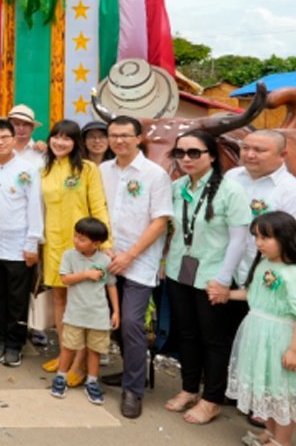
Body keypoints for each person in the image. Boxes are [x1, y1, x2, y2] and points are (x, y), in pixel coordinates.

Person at [165, 129, 251, 425]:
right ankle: (189, 388)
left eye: (194, 153)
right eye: (180, 153)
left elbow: (239, 239)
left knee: (214, 339)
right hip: (180, 270)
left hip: (213, 275)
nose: (186, 159)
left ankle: (212, 398)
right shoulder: (178, 187)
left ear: (212, 156)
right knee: (186, 333)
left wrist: (224, 280)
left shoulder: (231, 190)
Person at [99, 116, 173, 418]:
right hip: (106, 257)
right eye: (114, 135)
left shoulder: (155, 174)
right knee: (112, 319)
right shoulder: (102, 170)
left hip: (138, 260)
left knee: (131, 321)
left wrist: (129, 255)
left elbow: (161, 220)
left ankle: (133, 390)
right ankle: (133, 370)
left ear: (139, 138)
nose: (119, 141)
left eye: (126, 135)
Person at [39, 120, 110, 382]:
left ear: (75, 142)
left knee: (82, 304)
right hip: (54, 245)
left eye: (66, 138)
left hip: (83, 247)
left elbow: (99, 206)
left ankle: (79, 365)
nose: (60, 142)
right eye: (55, 137)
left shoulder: (87, 169)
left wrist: (106, 242)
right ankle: (64, 354)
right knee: (60, 301)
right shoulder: (44, 169)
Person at [226, 211, 296, 446]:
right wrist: (226, 294)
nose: (259, 243)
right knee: (263, 386)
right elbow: (252, 294)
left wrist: (293, 350)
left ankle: (283, 441)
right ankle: (271, 432)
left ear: (286, 237)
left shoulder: (293, 272)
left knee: (281, 392)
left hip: (280, 338)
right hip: (256, 332)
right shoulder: (263, 263)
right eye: (256, 237)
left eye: (266, 238)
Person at [0, 119, 44, 367]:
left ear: (13, 137)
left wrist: (32, 243)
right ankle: (0, 340)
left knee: (17, 298)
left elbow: (35, 207)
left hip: (18, 245)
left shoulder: (27, 169)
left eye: (4, 137)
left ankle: (15, 343)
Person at [49, 217, 119, 405]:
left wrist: (116, 312)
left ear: (96, 243)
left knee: (94, 351)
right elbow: (65, 279)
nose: (76, 240)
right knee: (69, 347)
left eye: (82, 239)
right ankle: (61, 377)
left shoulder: (105, 260)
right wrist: (86, 274)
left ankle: (92, 382)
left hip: (98, 314)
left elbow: (111, 286)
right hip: (75, 314)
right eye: (76, 236)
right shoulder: (69, 256)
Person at [224, 130, 296, 288]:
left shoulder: (291, 190)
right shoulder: (231, 177)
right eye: (245, 148)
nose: (249, 155)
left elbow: (289, 240)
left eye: (259, 150)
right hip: (224, 274)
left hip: (267, 280)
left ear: (282, 155)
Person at [7, 104, 46, 171]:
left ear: (32, 128)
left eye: (26, 124)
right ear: (8, 126)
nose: (21, 128)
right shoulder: (1, 149)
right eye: (16, 124)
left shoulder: (42, 151)